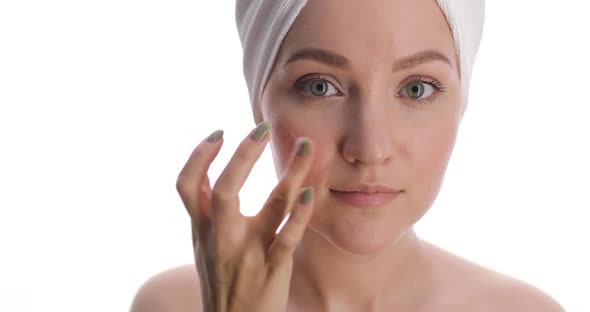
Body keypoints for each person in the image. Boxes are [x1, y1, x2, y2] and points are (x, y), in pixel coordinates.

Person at [131, 0, 565, 311]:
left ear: (462, 100)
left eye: (417, 88)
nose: (369, 149)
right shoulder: (173, 305)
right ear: (261, 104)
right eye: (319, 86)